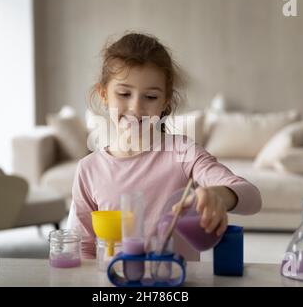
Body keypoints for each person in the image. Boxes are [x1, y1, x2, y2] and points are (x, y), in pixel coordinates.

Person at [67, 32, 262, 260]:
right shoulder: (89, 169)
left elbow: (252, 198)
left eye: (150, 97)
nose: (136, 108)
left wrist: (218, 194)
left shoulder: (183, 153)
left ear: (165, 101)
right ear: (104, 94)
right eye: (124, 93)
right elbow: (83, 249)